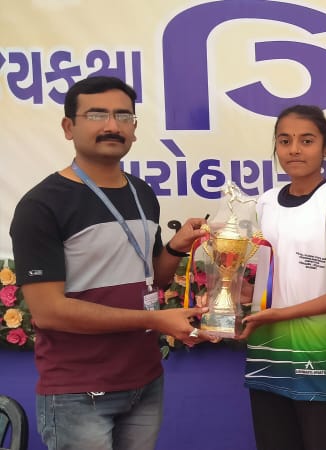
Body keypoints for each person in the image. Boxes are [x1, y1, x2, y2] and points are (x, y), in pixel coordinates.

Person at [9, 75, 210, 450]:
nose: (112, 126)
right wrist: (155, 320)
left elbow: (153, 279)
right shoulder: (42, 205)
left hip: (144, 381)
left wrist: (176, 248)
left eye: (124, 116)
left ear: (134, 128)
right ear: (68, 127)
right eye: (97, 115)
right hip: (78, 391)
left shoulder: (142, 193)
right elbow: (49, 312)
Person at [236, 104, 326, 450]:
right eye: (285, 141)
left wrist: (282, 314)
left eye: (306, 141)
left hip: (321, 357)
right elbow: (262, 280)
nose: (294, 149)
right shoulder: (264, 203)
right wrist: (232, 297)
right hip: (268, 351)